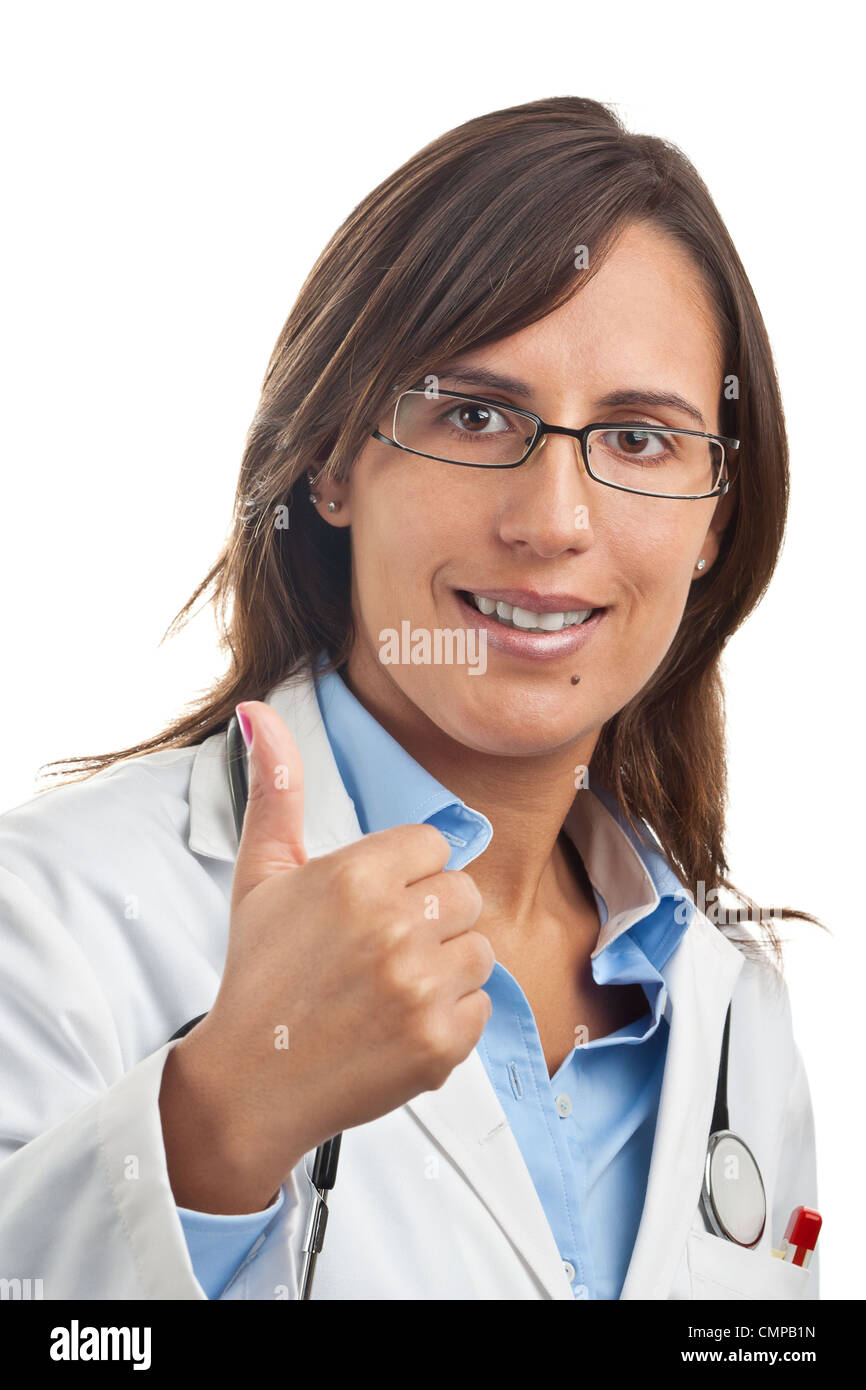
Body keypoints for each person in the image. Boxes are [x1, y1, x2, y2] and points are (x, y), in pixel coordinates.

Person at [0, 95, 822, 1300]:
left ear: (713, 520)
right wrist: (221, 1121)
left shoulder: (727, 1006)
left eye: (640, 440)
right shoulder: (56, 917)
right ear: (332, 463)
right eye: (475, 416)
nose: (552, 522)